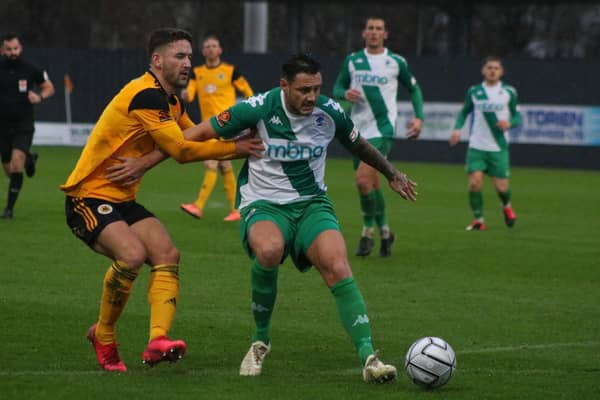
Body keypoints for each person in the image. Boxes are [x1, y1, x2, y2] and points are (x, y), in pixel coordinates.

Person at [181, 53, 418, 383]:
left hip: (312, 205)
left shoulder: (329, 111)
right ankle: (259, 341)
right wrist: (145, 155)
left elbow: (359, 144)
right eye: (304, 90)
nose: (311, 97)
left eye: (316, 89)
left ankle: (369, 357)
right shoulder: (259, 108)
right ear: (284, 85)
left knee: (338, 265)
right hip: (264, 204)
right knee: (268, 251)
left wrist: (392, 173)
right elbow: (199, 132)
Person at [59, 28, 263, 372]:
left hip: (121, 198)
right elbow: (182, 150)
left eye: (189, 57)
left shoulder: (170, 101)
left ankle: (157, 341)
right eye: (179, 56)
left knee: (168, 254)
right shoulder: (146, 95)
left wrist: (243, 128)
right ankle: (104, 335)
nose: (187, 64)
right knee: (132, 255)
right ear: (157, 60)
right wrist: (236, 148)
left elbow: (194, 133)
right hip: (87, 197)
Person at [333, 17, 424, 258]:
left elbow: (414, 88)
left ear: (386, 34)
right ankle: (385, 232)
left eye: (379, 29)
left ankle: (367, 232)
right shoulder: (352, 60)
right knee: (372, 184)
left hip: (382, 130)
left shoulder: (395, 62)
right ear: (364, 33)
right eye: (370, 28)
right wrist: (345, 93)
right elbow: (337, 88)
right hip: (356, 130)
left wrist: (419, 117)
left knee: (363, 181)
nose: (374, 32)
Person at [180, 35, 254, 222]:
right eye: (207, 46)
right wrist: (186, 95)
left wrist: (249, 111)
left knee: (210, 162)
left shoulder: (230, 71)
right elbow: (190, 94)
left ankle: (198, 206)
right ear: (203, 52)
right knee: (225, 166)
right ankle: (237, 209)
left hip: (227, 125)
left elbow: (247, 91)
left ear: (220, 50)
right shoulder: (197, 72)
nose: (211, 49)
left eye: (214, 45)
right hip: (209, 126)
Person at [449, 56, 521, 231]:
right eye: (489, 67)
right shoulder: (474, 91)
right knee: (474, 183)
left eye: (496, 68)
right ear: (483, 70)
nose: (492, 71)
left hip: (498, 147)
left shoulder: (509, 92)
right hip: (477, 146)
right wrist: (457, 129)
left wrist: (509, 124)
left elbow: (518, 116)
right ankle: (478, 220)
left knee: (501, 188)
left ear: (501, 72)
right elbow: (464, 112)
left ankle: (507, 206)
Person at [0, 32, 55, 219]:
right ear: (2, 50)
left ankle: (8, 210)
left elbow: (49, 87)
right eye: (9, 49)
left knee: (16, 165)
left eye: (15, 48)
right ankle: (29, 159)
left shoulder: (30, 68)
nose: (13, 52)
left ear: (20, 48)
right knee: (9, 169)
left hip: (23, 124)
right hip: (2, 126)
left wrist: (39, 96)